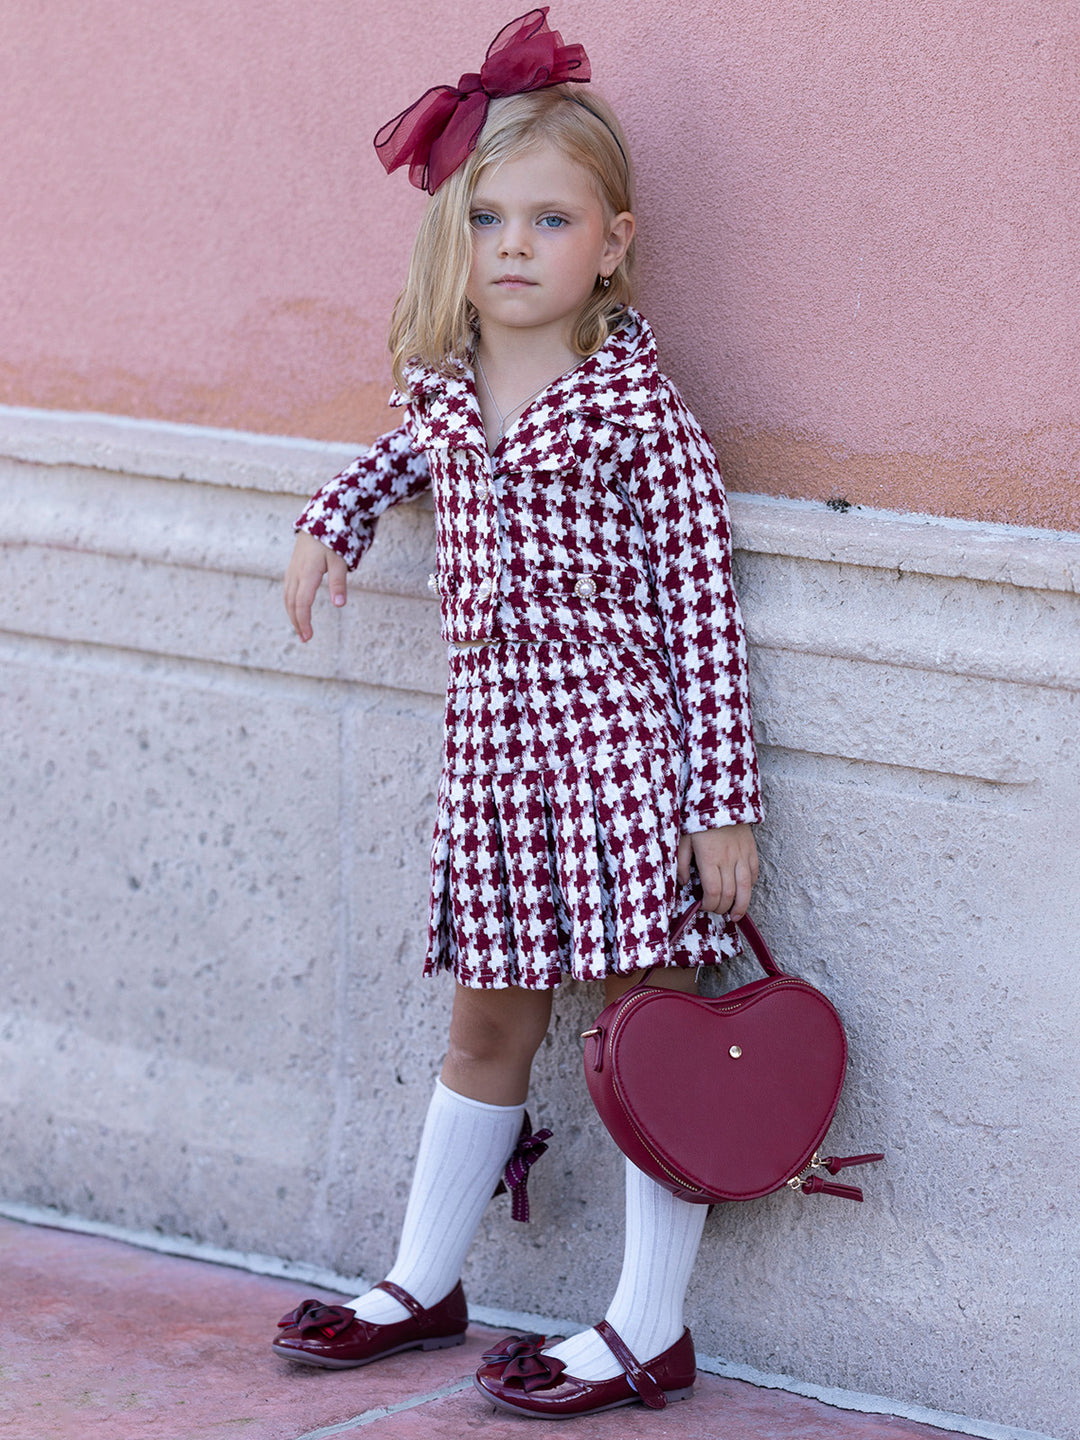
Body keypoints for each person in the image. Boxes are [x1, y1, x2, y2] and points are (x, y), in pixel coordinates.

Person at [271, 8, 762, 1419]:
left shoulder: (634, 411)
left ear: (610, 242)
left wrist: (720, 801)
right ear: (455, 237)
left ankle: (647, 1324)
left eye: (551, 220)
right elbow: (392, 458)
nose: (514, 247)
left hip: (618, 767)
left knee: (645, 1024)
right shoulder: (446, 391)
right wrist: (327, 526)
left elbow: (703, 611)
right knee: (485, 1026)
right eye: (488, 217)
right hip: (491, 770)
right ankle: (425, 1279)